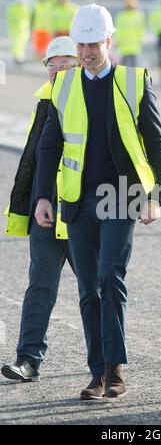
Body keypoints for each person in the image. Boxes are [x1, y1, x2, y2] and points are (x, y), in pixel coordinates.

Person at [34, 4, 161, 400]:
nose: (88, 52)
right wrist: (43, 196)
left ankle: (115, 369)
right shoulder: (65, 85)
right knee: (89, 288)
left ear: (108, 42)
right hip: (77, 200)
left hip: (121, 196)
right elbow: (49, 145)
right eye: (82, 45)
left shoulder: (134, 80)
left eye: (94, 44)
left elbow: (156, 143)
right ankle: (97, 374)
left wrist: (155, 196)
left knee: (111, 277)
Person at [1, 37, 79, 382]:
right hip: (47, 215)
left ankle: (108, 367)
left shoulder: (93, 104)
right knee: (40, 287)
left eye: (67, 64)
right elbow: (33, 162)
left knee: (100, 290)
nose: (58, 70)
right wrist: (32, 204)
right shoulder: (45, 103)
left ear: (79, 67)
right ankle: (28, 360)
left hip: (84, 217)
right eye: (53, 64)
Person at [115, 0, 145, 67]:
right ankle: (122, 78)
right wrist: (118, 40)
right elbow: (118, 30)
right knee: (123, 66)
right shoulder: (121, 16)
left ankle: (132, 78)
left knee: (134, 66)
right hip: (124, 46)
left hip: (135, 46)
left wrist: (141, 40)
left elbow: (141, 30)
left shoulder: (139, 16)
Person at [5, 0, 31, 64]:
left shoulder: (26, 7)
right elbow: (10, 19)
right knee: (17, 44)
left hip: (24, 30)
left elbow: (27, 18)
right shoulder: (12, 8)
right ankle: (17, 56)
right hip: (15, 30)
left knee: (22, 43)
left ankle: (20, 56)